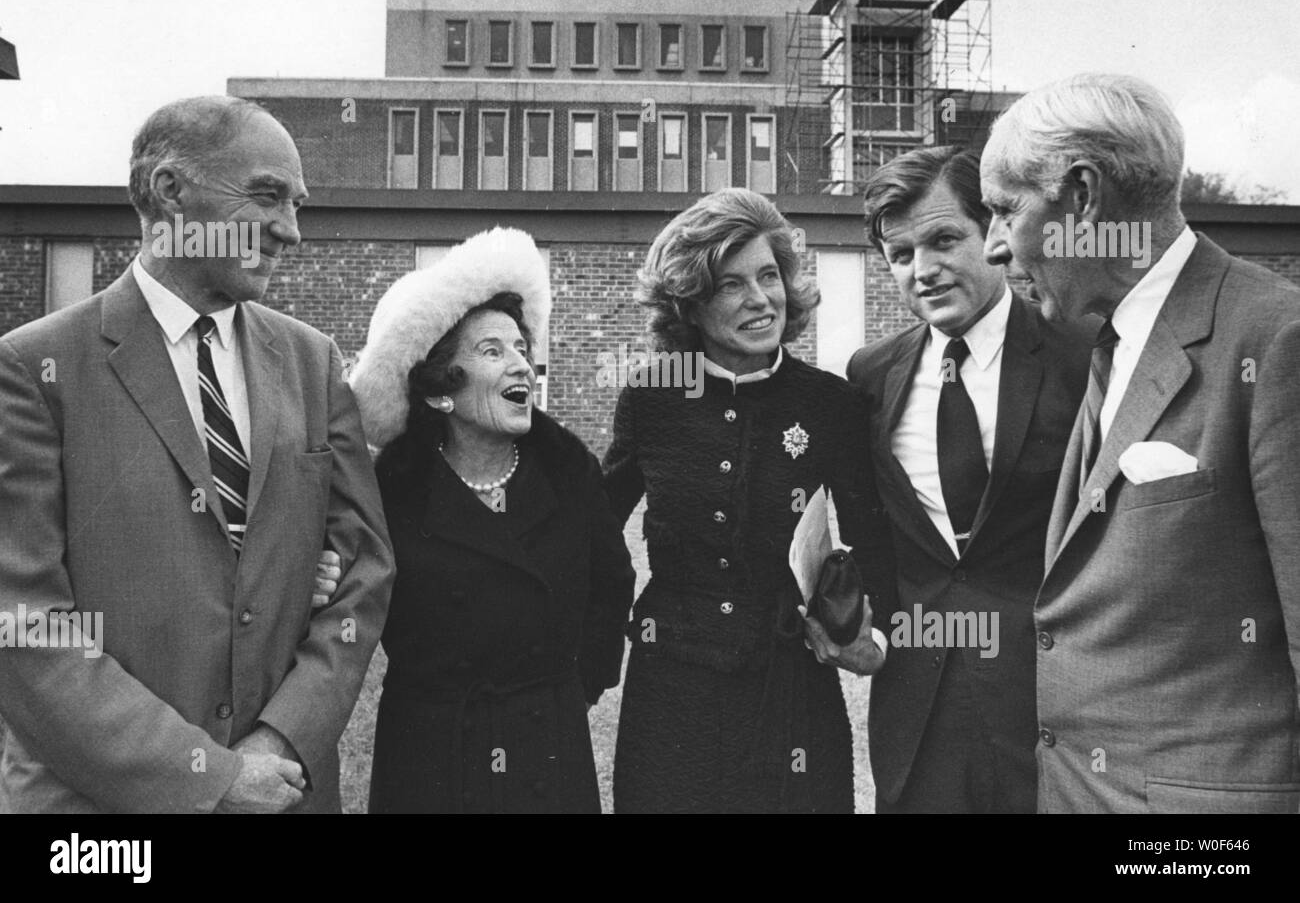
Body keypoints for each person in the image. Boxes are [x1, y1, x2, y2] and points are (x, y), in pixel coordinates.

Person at [0, 95, 394, 813]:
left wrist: (279, 740)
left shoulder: (313, 363)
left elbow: (363, 572)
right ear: (170, 191)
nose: (290, 231)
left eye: (297, 204)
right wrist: (205, 777)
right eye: (267, 196)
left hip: (284, 793)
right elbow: (26, 626)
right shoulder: (35, 370)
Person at [982, 73, 1300, 813]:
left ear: (1082, 196)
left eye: (1003, 210)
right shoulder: (1110, 339)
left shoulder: (1277, 340)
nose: (994, 245)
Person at [604, 187, 893, 813]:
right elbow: (594, 530)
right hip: (673, 693)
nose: (761, 299)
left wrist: (872, 636)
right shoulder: (652, 398)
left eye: (769, 276)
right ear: (690, 304)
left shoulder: (829, 403)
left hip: (790, 686)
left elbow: (874, 537)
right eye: (731, 285)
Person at [348, 227, 636, 813]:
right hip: (430, 748)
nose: (522, 367)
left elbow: (613, 583)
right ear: (439, 393)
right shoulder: (390, 491)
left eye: (521, 350)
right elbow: (351, 602)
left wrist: (575, 688)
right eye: (492, 352)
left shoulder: (568, 471)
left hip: (547, 741)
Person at [847, 146, 1090, 813]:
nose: (922, 270)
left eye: (944, 239)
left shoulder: (1083, 353)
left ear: (996, 233)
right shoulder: (870, 375)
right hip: (917, 714)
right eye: (900, 254)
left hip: (1052, 705)